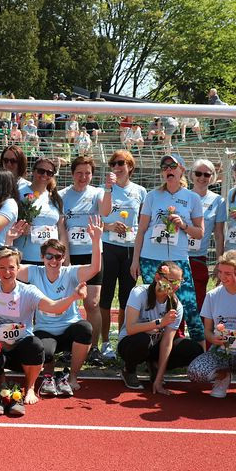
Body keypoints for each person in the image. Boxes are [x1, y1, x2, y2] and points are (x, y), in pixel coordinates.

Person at [0, 247, 88, 416]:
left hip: (22, 347)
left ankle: (29, 388)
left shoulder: (28, 291)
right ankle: (0, 384)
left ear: (18, 268)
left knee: (36, 345)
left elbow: (53, 307)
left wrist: (73, 297)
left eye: (12, 267)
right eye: (2, 267)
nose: (7, 272)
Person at [130, 153, 205, 342]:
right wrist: (135, 260)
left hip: (179, 260)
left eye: (173, 166)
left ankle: (201, 354)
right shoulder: (152, 196)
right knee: (155, 304)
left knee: (189, 306)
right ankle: (154, 352)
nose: (168, 170)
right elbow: (142, 230)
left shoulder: (192, 198)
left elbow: (200, 233)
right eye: (165, 168)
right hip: (151, 259)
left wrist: (184, 225)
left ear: (182, 171)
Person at [19, 226, 102, 397]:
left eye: (58, 256)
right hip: (45, 329)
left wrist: (96, 240)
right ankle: (49, 377)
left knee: (85, 328)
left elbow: (95, 269)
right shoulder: (34, 272)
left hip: (69, 327)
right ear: (42, 257)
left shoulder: (70, 272)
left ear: (64, 258)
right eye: (49, 256)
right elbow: (10, 267)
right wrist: (8, 240)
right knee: (45, 351)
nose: (54, 260)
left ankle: (72, 377)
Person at [186, 251, 236, 405]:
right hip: (221, 353)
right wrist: (213, 339)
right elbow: (207, 332)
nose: (222, 277)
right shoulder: (212, 295)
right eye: (220, 272)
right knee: (195, 372)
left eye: (228, 273)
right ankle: (222, 377)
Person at [117, 262, 203, 394]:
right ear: (158, 278)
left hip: (156, 344)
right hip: (131, 342)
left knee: (193, 349)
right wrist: (160, 322)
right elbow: (130, 328)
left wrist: (159, 378)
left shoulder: (176, 305)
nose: (176, 286)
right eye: (172, 281)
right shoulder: (139, 293)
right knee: (142, 340)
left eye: (179, 281)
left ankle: (155, 366)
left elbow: (167, 342)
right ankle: (129, 370)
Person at [97, 150, 145, 362]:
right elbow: (100, 219)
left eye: (121, 163)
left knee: (127, 298)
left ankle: (123, 339)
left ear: (130, 167)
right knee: (106, 297)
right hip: (108, 247)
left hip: (131, 250)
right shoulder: (104, 189)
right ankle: (105, 342)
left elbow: (144, 223)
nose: (117, 167)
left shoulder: (141, 191)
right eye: (113, 163)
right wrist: (110, 226)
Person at [60, 155, 105, 356]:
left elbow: (106, 210)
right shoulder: (61, 195)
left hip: (92, 255)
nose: (83, 177)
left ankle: (93, 347)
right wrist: (65, 255)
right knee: (69, 302)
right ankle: (69, 346)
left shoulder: (98, 193)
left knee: (92, 303)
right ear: (72, 173)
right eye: (79, 173)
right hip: (70, 256)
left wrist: (111, 188)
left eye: (87, 173)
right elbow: (60, 227)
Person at [186, 158, 226, 316]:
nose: (202, 178)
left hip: (198, 258)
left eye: (206, 174)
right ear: (191, 175)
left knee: (199, 302)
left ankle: (202, 339)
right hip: (178, 256)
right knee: (175, 300)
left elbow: (218, 234)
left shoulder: (218, 201)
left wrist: (219, 261)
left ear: (213, 177)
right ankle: (176, 339)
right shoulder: (182, 196)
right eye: (198, 173)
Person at [13, 157, 67, 264]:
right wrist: (20, 227)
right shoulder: (18, 193)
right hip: (24, 258)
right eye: (41, 171)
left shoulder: (56, 198)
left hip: (51, 261)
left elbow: (62, 232)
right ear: (33, 171)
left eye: (49, 173)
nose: (45, 175)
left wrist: (65, 261)